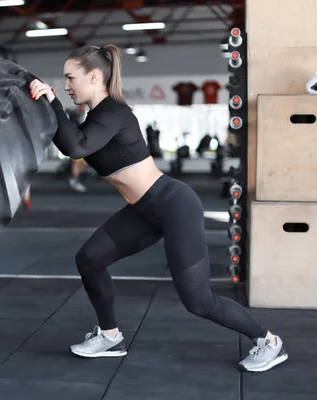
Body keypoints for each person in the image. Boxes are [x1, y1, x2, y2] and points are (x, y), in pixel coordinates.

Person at [28, 44, 288, 373]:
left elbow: (74, 147)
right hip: (144, 210)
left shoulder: (114, 112)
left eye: (70, 78)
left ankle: (268, 341)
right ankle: (109, 336)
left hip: (174, 205)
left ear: (94, 77)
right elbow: (66, 137)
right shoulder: (95, 116)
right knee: (89, 259)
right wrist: (41, 103)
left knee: (198, 301)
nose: (65, 86)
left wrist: (51, 100)